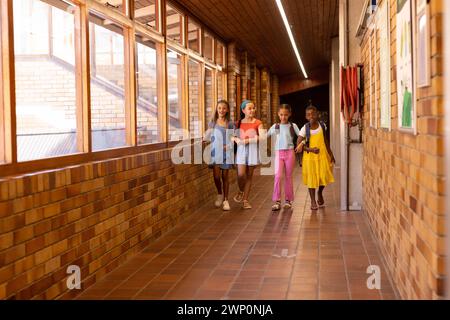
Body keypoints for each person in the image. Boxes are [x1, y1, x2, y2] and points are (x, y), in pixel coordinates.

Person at [295, 105, 335, 210]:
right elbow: (298, 146)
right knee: (312, 179)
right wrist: (311, 150)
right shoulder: (305, 128)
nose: (311, 116)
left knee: (324, 176)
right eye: (308, 115)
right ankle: (313, 201)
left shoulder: (322, 126)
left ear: (317, 114)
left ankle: (320, 192)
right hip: (310, 159)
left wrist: (331, 154)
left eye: (313, 114)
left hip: (322, 156)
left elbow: (325, 140)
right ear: (306, 117)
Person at [267, 104, 301, 211]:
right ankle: (277, 200)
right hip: (278, 153)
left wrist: (301, 144)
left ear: (289, 114)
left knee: (288, 177)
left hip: (290, 153)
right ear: (278, 114)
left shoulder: (293, 126)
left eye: (286, 115)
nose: (283, 117)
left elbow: (302, 136)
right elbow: (264, 136)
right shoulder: (275, 127)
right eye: (281, 115)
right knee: (277, 176)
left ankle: (288, 200)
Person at [233, 100, 264, 209]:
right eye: (249, 108)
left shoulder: (258, 122)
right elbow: (232, 136)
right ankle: (241, 190)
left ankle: (245, 200)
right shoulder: (238, 123)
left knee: (249, 176)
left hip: (252, 149)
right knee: (241, 174)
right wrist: (236, 139)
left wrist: (248, 140)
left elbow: (262, 137)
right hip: (241, 149)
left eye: (253, 108)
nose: (252, 110)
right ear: (243, 110)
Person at [205, 100, 235, 211]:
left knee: (225, 176)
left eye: (224, 108)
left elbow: (233, 138)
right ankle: (219, 194)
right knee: (217, 176)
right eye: (219, 108)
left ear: (227, 110)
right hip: (215, 152)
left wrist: (229, 145)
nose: (221, 110)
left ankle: (226, 200)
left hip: (227, 152)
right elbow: (208, 135)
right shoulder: (212, 122)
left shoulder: (230, 123)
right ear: (217, 110)